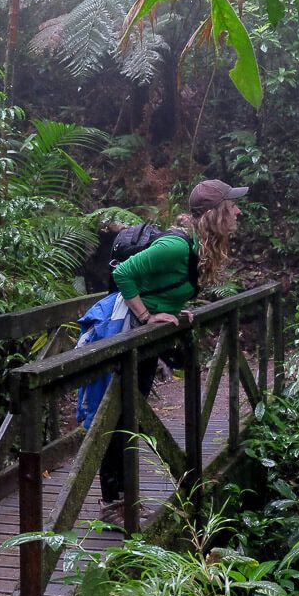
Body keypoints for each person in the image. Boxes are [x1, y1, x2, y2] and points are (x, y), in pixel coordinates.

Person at [75, 179, 246, 524]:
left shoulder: (198, 245)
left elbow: (161, 284)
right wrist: (147, 314)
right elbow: (123, 274)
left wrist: (171, 306)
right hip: (122, 330)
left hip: (142, 338)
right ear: (215, 213)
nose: (239, 211)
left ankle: (124, 499)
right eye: (233, 205)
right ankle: (113, 504)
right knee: (116, 416)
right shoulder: (177, 247)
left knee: (129, 414)